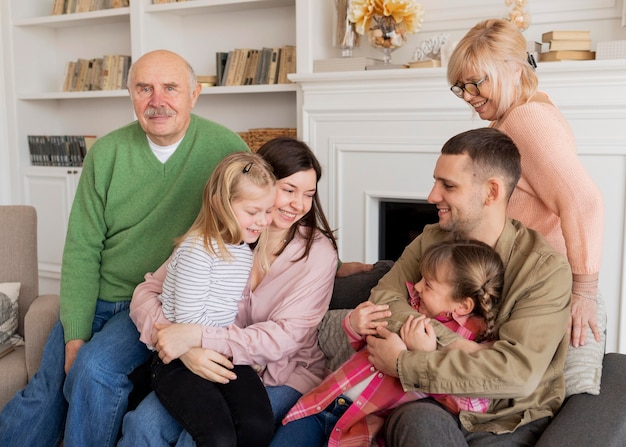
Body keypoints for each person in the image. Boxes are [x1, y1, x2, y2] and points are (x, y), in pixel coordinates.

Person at [0, 49, 250, 447]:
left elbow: (265, 214)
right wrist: (75, 334)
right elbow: (82, 248)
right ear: (131, 95)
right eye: (144, 88)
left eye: (170, 88)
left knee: (93, 371)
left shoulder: (226, 149)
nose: (157, 100)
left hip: (153, 303)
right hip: (99, 294)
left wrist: (332, 264)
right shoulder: (107, 152)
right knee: (46, 392)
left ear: (194, 94)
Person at [117, 137, 339, 446]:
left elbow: (285, 338)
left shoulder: (318, 254)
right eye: (288, 190)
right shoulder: (224, 233)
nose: (299, 205)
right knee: (143, 425)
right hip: (201, 362)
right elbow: (148, 291)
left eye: (309, 195)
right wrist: (181, 343)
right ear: (260, 183)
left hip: (282, 373)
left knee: (203, 437)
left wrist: (196, 338)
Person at [360, 127, 572, 446]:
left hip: (508, 419)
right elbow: (383, 300)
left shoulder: (543, 269)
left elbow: (516, 374)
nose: (432, 196)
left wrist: (405, 362)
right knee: (415, 421)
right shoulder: (432, 238)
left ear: (491, 192)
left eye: (448, 185)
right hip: (435, 403)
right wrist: (458, 344)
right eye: (435, 182)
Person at [446, 18, 604, 348]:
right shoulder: (523, 109)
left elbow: (583, 200)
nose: (467, 96)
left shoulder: (526, 119)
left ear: (516, 70)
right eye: (460, 87)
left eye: (475, 83)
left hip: (530, 285)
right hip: (516, 279)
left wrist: (585, 292)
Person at [271, 239, 504, 447]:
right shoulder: (409, 305)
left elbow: (473, 404)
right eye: (421, 278)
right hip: (322, 402)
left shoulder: (472, 341)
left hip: (362, 425)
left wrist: (424, 358)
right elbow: (363, 346)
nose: (418, 286)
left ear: (462, 306)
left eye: (429, 284)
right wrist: (354, 326)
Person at [148, 152, 277, 447]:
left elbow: (223, 313)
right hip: (176, 358)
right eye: (253, 211)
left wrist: (235, 348)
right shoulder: (197, 250)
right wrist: (229, 342)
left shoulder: (243, 251)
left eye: (267, 211)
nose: (262, 221)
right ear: (222, 204)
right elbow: (188, 324)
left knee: (258, 426)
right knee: (218, 437)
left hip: (216, 346)